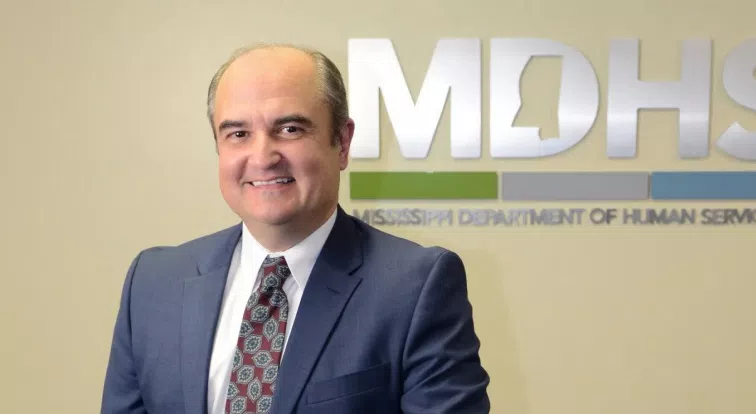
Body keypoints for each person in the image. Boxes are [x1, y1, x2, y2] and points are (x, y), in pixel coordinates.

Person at [100, 43, 491, 414]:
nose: (262, 157)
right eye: (238, 134)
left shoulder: (415, 288)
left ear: (342, 142)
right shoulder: (153, 283)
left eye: (289, 129)